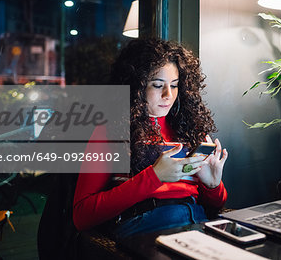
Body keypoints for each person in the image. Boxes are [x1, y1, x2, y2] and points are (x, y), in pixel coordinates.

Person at [72, 38, 228, 239]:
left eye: (175, 85)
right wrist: (153, 177)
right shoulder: (111, 131)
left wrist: (213, 185)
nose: (168, 95)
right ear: (136, 85)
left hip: (196, 221)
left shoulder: (191, 130)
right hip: (146, 225)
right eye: (157, 85)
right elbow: (82, 216)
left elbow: (217, 205)